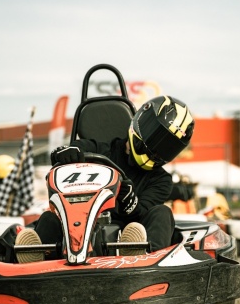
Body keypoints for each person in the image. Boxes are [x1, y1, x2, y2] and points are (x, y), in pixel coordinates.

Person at [15, 95, 195, 263]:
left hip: (127, 233)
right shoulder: (99, 151)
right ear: (141, 122)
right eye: (156, 138)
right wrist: (64, 155)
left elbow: (143, 210)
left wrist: (130, 204)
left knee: (162, 213)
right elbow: (71, 150)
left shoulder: (161, 180)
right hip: (78, 225)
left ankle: (140, 257)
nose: (157, 149)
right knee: (48, 218)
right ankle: (36, 262)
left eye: (167, 146)